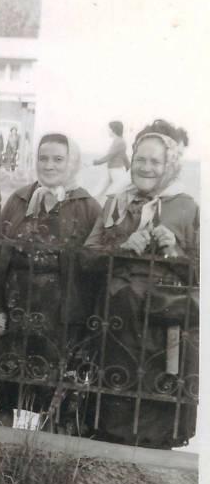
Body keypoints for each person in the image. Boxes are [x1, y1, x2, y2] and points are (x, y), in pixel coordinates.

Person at [82, 120, 198, 449]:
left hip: (164, 324)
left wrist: (173, 251)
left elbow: (200, 273)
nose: (146, 167)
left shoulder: (186, 206)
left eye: (155, 161)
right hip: (117, 318)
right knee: (113, 404)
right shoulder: (115, 203)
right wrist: (122, 248)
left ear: (170, 165)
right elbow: (86, 259)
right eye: (140, 159)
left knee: (155, 406)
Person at [0, 132, 103, 431]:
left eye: (58, 159)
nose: (49, 165)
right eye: (43, 158)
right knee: (3, 388)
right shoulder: (19, 199)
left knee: (55, 397)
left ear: (72, 162)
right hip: (16, 311)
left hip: (61, 318)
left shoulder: (87, 206)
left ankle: (43, 450)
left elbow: (96, 267)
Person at [91, 120, 131, 199]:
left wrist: (96, 162)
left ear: (113, 130)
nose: (108, 131)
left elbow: (110, 156)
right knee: (99, 191)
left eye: (109, 129)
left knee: (112, 192)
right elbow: (124, 156)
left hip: (116, 171)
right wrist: (129, 168)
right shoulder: (118, 141)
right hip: (111, 170)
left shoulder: (119, 142)